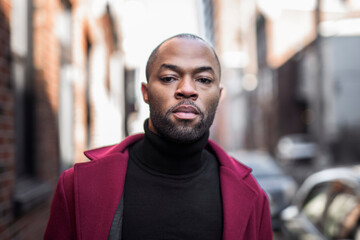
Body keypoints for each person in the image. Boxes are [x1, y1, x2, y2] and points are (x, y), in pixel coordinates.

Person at [44, 33, 273, 240]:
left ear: (219, 95)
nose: (186, 89)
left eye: (203, 80)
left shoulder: (253, 198)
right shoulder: (77, 187)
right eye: (169, 78)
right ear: (145, 93)